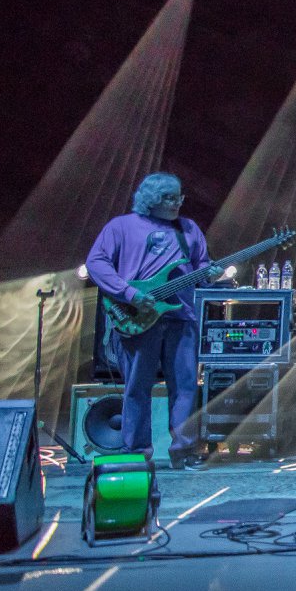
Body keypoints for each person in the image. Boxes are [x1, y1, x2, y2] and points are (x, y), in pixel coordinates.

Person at [84, 172, 210, 470]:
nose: (176, 202)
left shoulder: (188, 228)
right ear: (151, 198)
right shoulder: (121, 226)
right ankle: (137, 451)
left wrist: (209, 272)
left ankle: (185, 451)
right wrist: (128, 293)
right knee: (137, 386)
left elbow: (201, 263)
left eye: (178, 196)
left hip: (181, 316)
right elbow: (96, 262)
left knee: (186, 386)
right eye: (168, 197)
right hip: (138, 316)